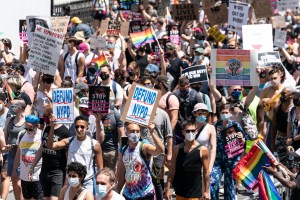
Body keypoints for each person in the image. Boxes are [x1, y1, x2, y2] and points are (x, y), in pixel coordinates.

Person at [47, 116, 103, 193]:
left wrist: (99, 182)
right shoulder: (69, 141)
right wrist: (52, 127)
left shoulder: (94, 144)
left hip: (87, 181)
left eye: (82, 127)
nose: (79, 129)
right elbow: (50, 146)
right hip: (71, 180)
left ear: (87, 127)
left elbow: (100, 167)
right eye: (77, 127)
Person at [116, 122, 164, 200]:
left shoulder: (144, 147)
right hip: (128, 195)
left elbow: (160, 150)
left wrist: (152, 133)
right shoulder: (124, 150)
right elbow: (121, 173)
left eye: (137, 131)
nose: (135, 134)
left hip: (145, 194)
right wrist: (118, 191)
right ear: (126, 132)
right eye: (132, 131)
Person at [30, 105, 69, 200]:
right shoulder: (46, 129)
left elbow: (67, 153)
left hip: (57, 171)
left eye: (46, 115)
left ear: (52, 115)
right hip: (45, 170)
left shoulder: (65, 131)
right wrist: (33, 165)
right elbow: (42, 148)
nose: (45, 117)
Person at [165, 120, 210, 200]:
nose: (190, 133)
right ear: (183, 132)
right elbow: (172, 170)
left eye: (192, 131)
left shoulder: (202, 150)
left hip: (195, 193)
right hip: (180, 192)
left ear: (196, 131)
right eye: (188, 131)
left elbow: (206, 172)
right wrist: (168, 188)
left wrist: (207, 191)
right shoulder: (177, 149)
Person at [210, 103, 247, 200]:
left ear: (230, 113)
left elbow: (243, 141)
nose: (225, 114)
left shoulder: (235, 125)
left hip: (232, 160)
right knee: (213, 183)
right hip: (217, 160)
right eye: (223, 112)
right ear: (219, 113)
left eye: (226, 112)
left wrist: (241, 138)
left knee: (230, 186)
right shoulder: (215, 126)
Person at [12, 115, 43, 200]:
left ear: (37, 126)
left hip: (37, 174)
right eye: (26, 128)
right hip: (24, 175)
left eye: (31, 129)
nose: (28, 131)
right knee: (27, 198)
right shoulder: (22, 134)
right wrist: (14, 170)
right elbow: (18, 153)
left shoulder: (42, 135)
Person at [3, 98, 26, 200]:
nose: (11, 108)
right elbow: (4, 137)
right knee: (14, 179)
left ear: (20, 108)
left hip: (24, 155)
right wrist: (5, 147)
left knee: (20, 182)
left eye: (13, 106)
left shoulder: (27, 120)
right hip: (12, 155)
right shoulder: (10, 120)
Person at [193, 103, 216, 173]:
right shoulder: (190, 127)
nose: (202, 116)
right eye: (200, 113)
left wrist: (210, 165)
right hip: (192, 162)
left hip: (205, 161)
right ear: (194, 114)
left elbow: (213, 148)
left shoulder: (210, 128)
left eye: (205, 113)